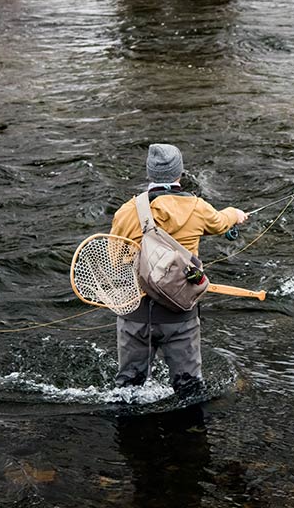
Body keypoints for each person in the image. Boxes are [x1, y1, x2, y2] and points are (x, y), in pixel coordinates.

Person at [109, 143, 248, 397]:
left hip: (135, 315)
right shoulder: (197, 208)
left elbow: (115, 259)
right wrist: (235, 214)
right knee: (190, 390)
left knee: (127, 391)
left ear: (149, 173)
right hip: (180, 315)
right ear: (179, 173)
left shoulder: (126, 211)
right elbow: (220, 222)